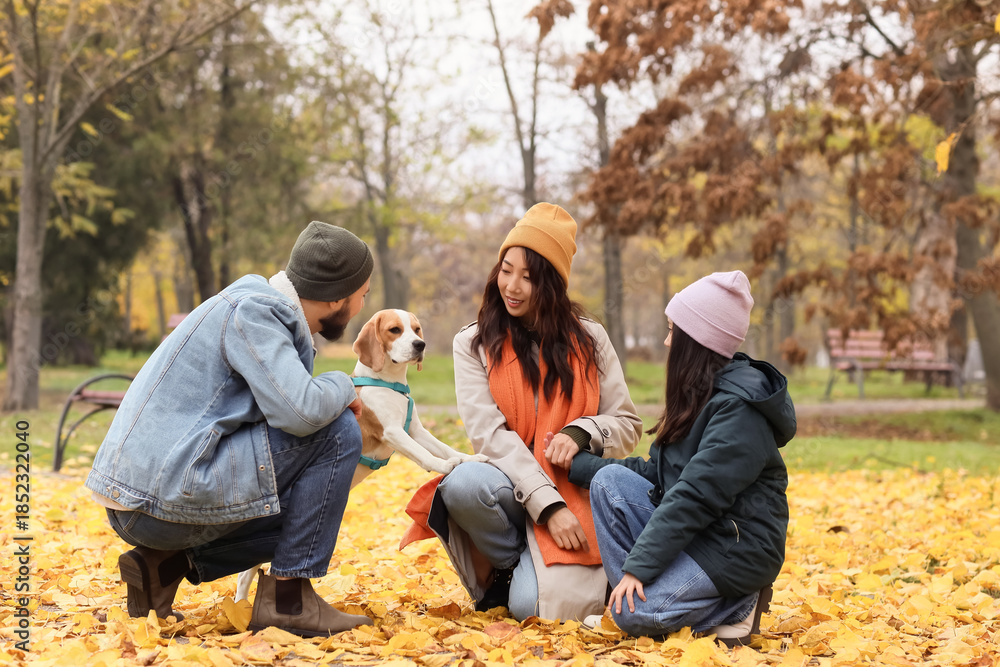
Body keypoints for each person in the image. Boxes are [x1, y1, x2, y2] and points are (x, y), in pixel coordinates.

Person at [85, 221, 377, 638]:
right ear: (337, 298)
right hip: (156, 500)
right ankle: (289, 602)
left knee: (313, 495)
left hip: (143, 496)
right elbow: (303, 413)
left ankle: (162, 567)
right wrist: (345, 383)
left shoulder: (250, 304)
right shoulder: (257, 314)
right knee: (337, 432)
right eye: (362, 296)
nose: (362, 305)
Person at [400, 202, 643, 622]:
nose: (511, 285)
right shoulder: (474, 344)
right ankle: (510, 565)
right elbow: (489, 436)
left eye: (528, 277)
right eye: (506, 269)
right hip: (514, 494)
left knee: (530, 610)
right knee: (462, 483)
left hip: (577, 493)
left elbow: (627, 425)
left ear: (551, 284)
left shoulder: (591, 340)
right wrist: (547, 507)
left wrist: (584, 432)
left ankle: (537, 579)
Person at [556, 270, 795, 645]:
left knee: (633, 614)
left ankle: (739, 605)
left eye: (673, 331)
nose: (667, 342)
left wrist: (636, 569)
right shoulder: (699, 394)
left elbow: (694, 497)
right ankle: (635, 605)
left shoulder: (739, 412)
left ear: (696, 341)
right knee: (608, 483)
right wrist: (581, 465)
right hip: (702, 534)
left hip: (736, 548)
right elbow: (659, 476)